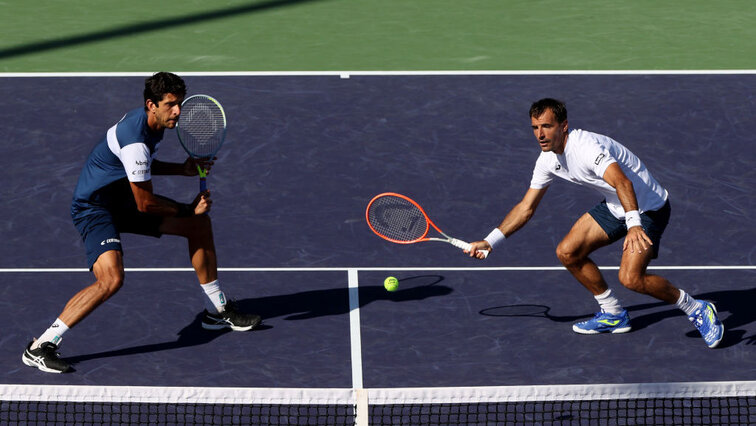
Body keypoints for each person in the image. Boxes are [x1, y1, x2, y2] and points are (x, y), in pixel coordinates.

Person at [22, 72, 261, 374]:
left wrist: (182, 171)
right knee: (112, 279)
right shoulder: (136, 139)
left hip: (121, 198)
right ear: (152, 104)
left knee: (199, 226)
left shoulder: (153, 125)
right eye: (171, 105)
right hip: (95, 208)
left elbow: (142, 165)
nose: (178, 112)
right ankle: (40, 346)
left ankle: (219, 310)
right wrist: (188, 209)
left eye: (180, 104)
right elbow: (145, 204)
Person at [467, 98, 724, 349]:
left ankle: (697, 307)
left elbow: (623, 183)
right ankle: (613, 313)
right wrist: (491, 241)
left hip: (647, 208)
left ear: (564, 125)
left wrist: (634, 225)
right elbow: (526, 208)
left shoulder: (586, 148)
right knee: (568, 252)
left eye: (547, 126)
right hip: (615, 205)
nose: (540, 134)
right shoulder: (547, 161)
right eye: (535, 127)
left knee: (631, 278)